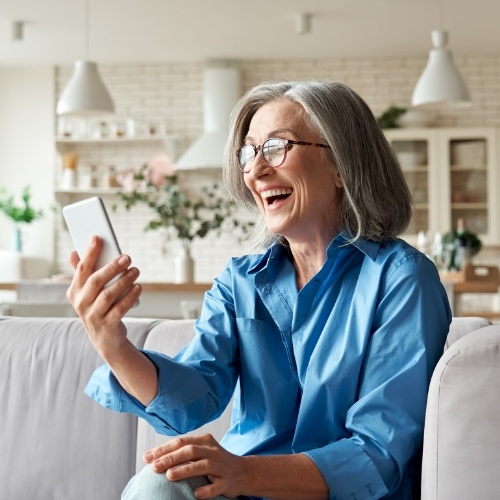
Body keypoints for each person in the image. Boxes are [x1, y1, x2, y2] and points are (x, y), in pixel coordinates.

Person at [67, 81, 452, 500]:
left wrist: (245, 473)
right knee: (156, 483)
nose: (254, 170)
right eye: (249, 153)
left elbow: (378, 453)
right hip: (242, 489)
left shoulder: (401, 279)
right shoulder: (240, 281)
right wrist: (112, 343)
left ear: (341, 164)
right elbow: (193, 399)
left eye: (275, 147)